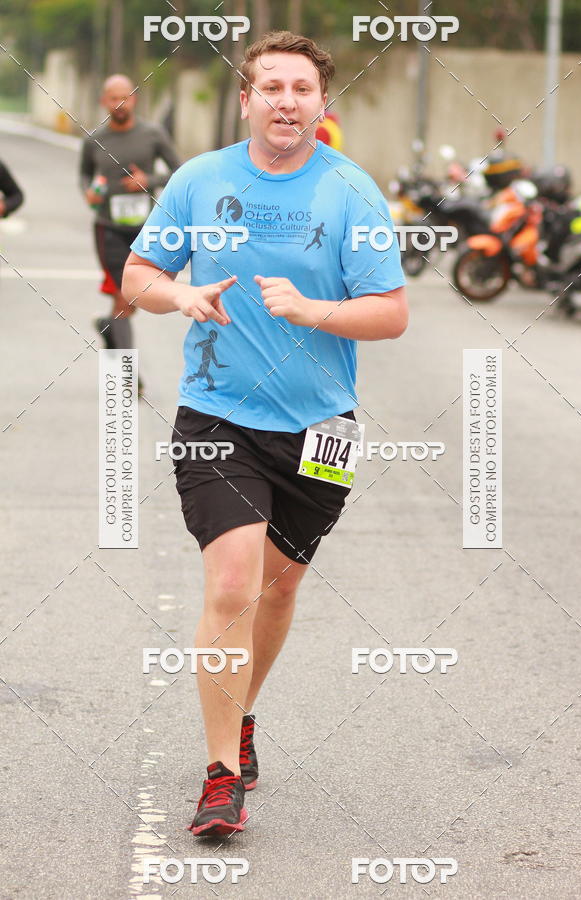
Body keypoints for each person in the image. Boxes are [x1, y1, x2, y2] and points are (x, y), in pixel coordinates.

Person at [122, 30, 408, 837]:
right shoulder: (200, 180)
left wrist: (316, 311)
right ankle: (220, 776)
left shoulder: (352, 192)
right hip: (217, 415)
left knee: (282, 586)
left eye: (302, 89)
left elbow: (390, 312)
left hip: (323, 426)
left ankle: (242, 710)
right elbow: (141, 276)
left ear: (323, 104)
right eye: (271, 87)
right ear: (246, 98)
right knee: (232, 583)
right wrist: (179, 298)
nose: (287, 101)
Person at [80, 74, 180, 353]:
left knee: (135, 298)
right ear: (103, 102)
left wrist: (148, 180)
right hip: (108, 227)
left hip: (146, 228)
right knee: (123, 297)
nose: (119, 103)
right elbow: (85, 175)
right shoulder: (95, 140)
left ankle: (107, 325)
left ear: (134, 99)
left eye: (125, 97)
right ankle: (124, 379)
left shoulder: (153, 134)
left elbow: (178, 171)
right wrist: (88, 191)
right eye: (113, 98)